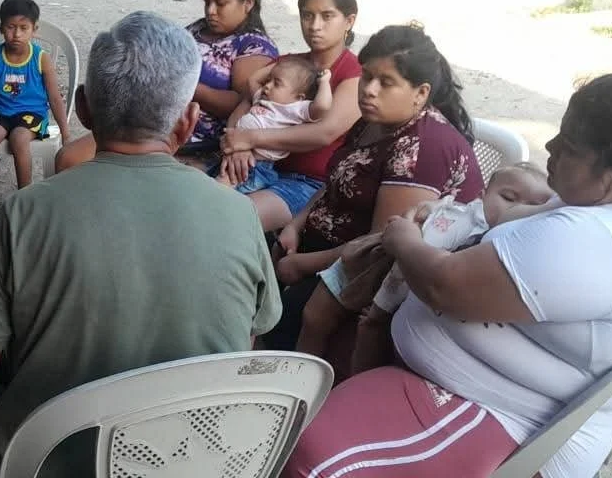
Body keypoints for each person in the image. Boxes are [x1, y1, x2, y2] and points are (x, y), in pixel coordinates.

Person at [284, 73, 612, 478]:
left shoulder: (597, 244)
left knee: (309, 456)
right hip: (476, 392)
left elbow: (444, 286)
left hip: (504, 417)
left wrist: (404, 239)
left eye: (568, 146)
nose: (550, 146)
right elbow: (515, 221)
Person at [0, 12, 283, 478]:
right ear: (188, 120)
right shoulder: (240, 214)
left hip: (49, 460)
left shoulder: (27, 211)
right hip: (186, 462)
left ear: (84, 109)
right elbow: (238, 349)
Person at [260, 24, 484, 352]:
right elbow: (339, 178)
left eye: (386, 82)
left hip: (363, 272)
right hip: (318, 244)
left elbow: (376, 247)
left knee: (278, 323)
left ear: (420, 93)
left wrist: (301, 265)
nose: (369, 90)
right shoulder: (374, 121)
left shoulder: (420, 148)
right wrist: (295, 223)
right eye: (367, 76)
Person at [297, 162, 555, 374]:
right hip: (374, 274)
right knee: (353, 327)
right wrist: (382, 307)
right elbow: (407, 264)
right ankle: (334, 385)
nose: (517, 208)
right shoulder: (460, 222)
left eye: (533, 206)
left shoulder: (511, 243)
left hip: (402, 296)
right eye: (508, 197)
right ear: (483, 194)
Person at [55, 0, 279, 172]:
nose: (210, 10)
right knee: (68, 159)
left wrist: (186, 87)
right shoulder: (196, 30)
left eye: (220, 3)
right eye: (206, 1)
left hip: (195, 142)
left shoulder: (253, 46)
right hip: (145, 120)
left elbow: (242, 103)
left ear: (248, 3)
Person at [220, 0, 363, 231]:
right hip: (259, 165)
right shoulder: (288, 64)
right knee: (197, 199)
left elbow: (323, 133)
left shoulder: (353, 74)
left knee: (232, 216)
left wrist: (250, 139)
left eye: (327, 16)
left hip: (308, 183)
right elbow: (243, 108)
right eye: (307, 16)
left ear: (349, 21)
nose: (315, 25)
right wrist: (238, 146)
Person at [0, 0, 70, 239]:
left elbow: (55, 97)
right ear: (0, 28)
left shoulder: (41, 59)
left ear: (34, 30)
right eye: (10, 27)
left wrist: (66, 132)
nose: (16, 34)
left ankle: (23, 205)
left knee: (20, 138)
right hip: (0, 114)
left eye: (23, 28)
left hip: (31, 117)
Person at [216, 56, 333, 194]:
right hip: (235, 151)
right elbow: (252, 80)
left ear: (299, 97)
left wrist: (324, 82)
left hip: (254, 165)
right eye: (268, 80)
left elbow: (322, 106)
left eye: (277, 83)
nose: (267, 85)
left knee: (219, 190)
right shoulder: (262, 97)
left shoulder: (294, 109)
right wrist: (278, 66)